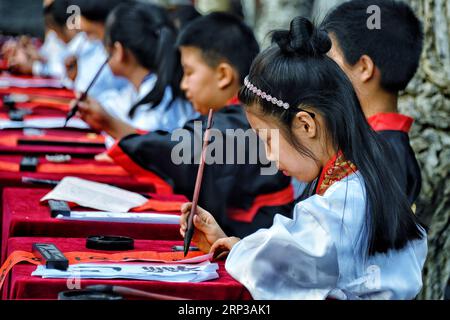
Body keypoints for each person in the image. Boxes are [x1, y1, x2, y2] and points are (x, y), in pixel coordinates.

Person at [179, 17, 427, 300]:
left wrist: (240, 252)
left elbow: (285, 268)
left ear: (306, 125)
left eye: (267, 140)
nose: (269, 156)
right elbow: (293, 259)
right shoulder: (352, 178)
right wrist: (236, 246)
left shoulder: (346, 200)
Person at [80, 13, 295, 237]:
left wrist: (121, 136)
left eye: (189, 72)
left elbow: (184, 148)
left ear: (223, 75)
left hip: (261, 236)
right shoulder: (233, 116)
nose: (183, 84)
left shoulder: (242, 121)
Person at [321, 0, 423, 205]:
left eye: (330, 61)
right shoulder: (378, 144)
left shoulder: (381, 155)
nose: (321, 74)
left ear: (364, 68)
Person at [73, 2, 197, 135]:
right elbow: (116, 105)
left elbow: (145, 147)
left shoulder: (159, 101)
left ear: (118, 51)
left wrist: (110, 124)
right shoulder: (140, 89)